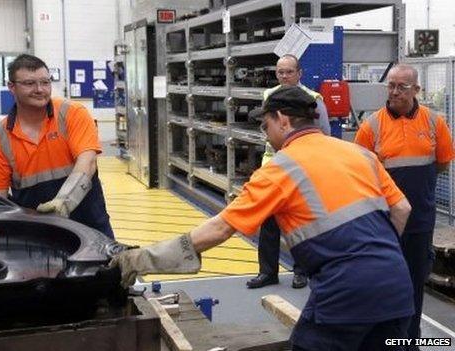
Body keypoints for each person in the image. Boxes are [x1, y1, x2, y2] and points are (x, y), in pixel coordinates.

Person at [112, 86, 414, 351]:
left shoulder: (280, 168)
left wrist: (139, 260)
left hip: (345, 295)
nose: (265, 134)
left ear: (283, 119)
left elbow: (218, 229)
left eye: (265, 125)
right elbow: (402, 209)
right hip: (397, 287)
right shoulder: (358, 154)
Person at [354, 63, 455, 347]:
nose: (395, 92)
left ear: (417, 90)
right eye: (391, 86)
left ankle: (409, 339)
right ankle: (383, 337)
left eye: (402, 87)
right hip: (382, 220)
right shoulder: (371, 126)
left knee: (414, 280)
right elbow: (361, 173)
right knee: (381, 279)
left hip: (420, 219)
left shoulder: (435, 123)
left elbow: (442, 163)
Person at [0, 54, 115, 239]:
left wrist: (63, 202)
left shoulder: (72, 113)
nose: (40, 89)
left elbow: (88, 161)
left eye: (45, 82)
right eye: (29, 83)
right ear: (11, 87)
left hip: (90, 225)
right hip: (37, 236)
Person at [247, 54, 330, 290]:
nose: (284, 76)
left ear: (299, 73)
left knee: (299, 221)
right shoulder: (269, 96)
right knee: (269, 221)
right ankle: (267, 272)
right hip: (273, 166)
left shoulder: (313, 99)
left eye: (289, 72)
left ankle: (301, 271)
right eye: (280, 72)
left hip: (301, 167)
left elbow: (323, 133)